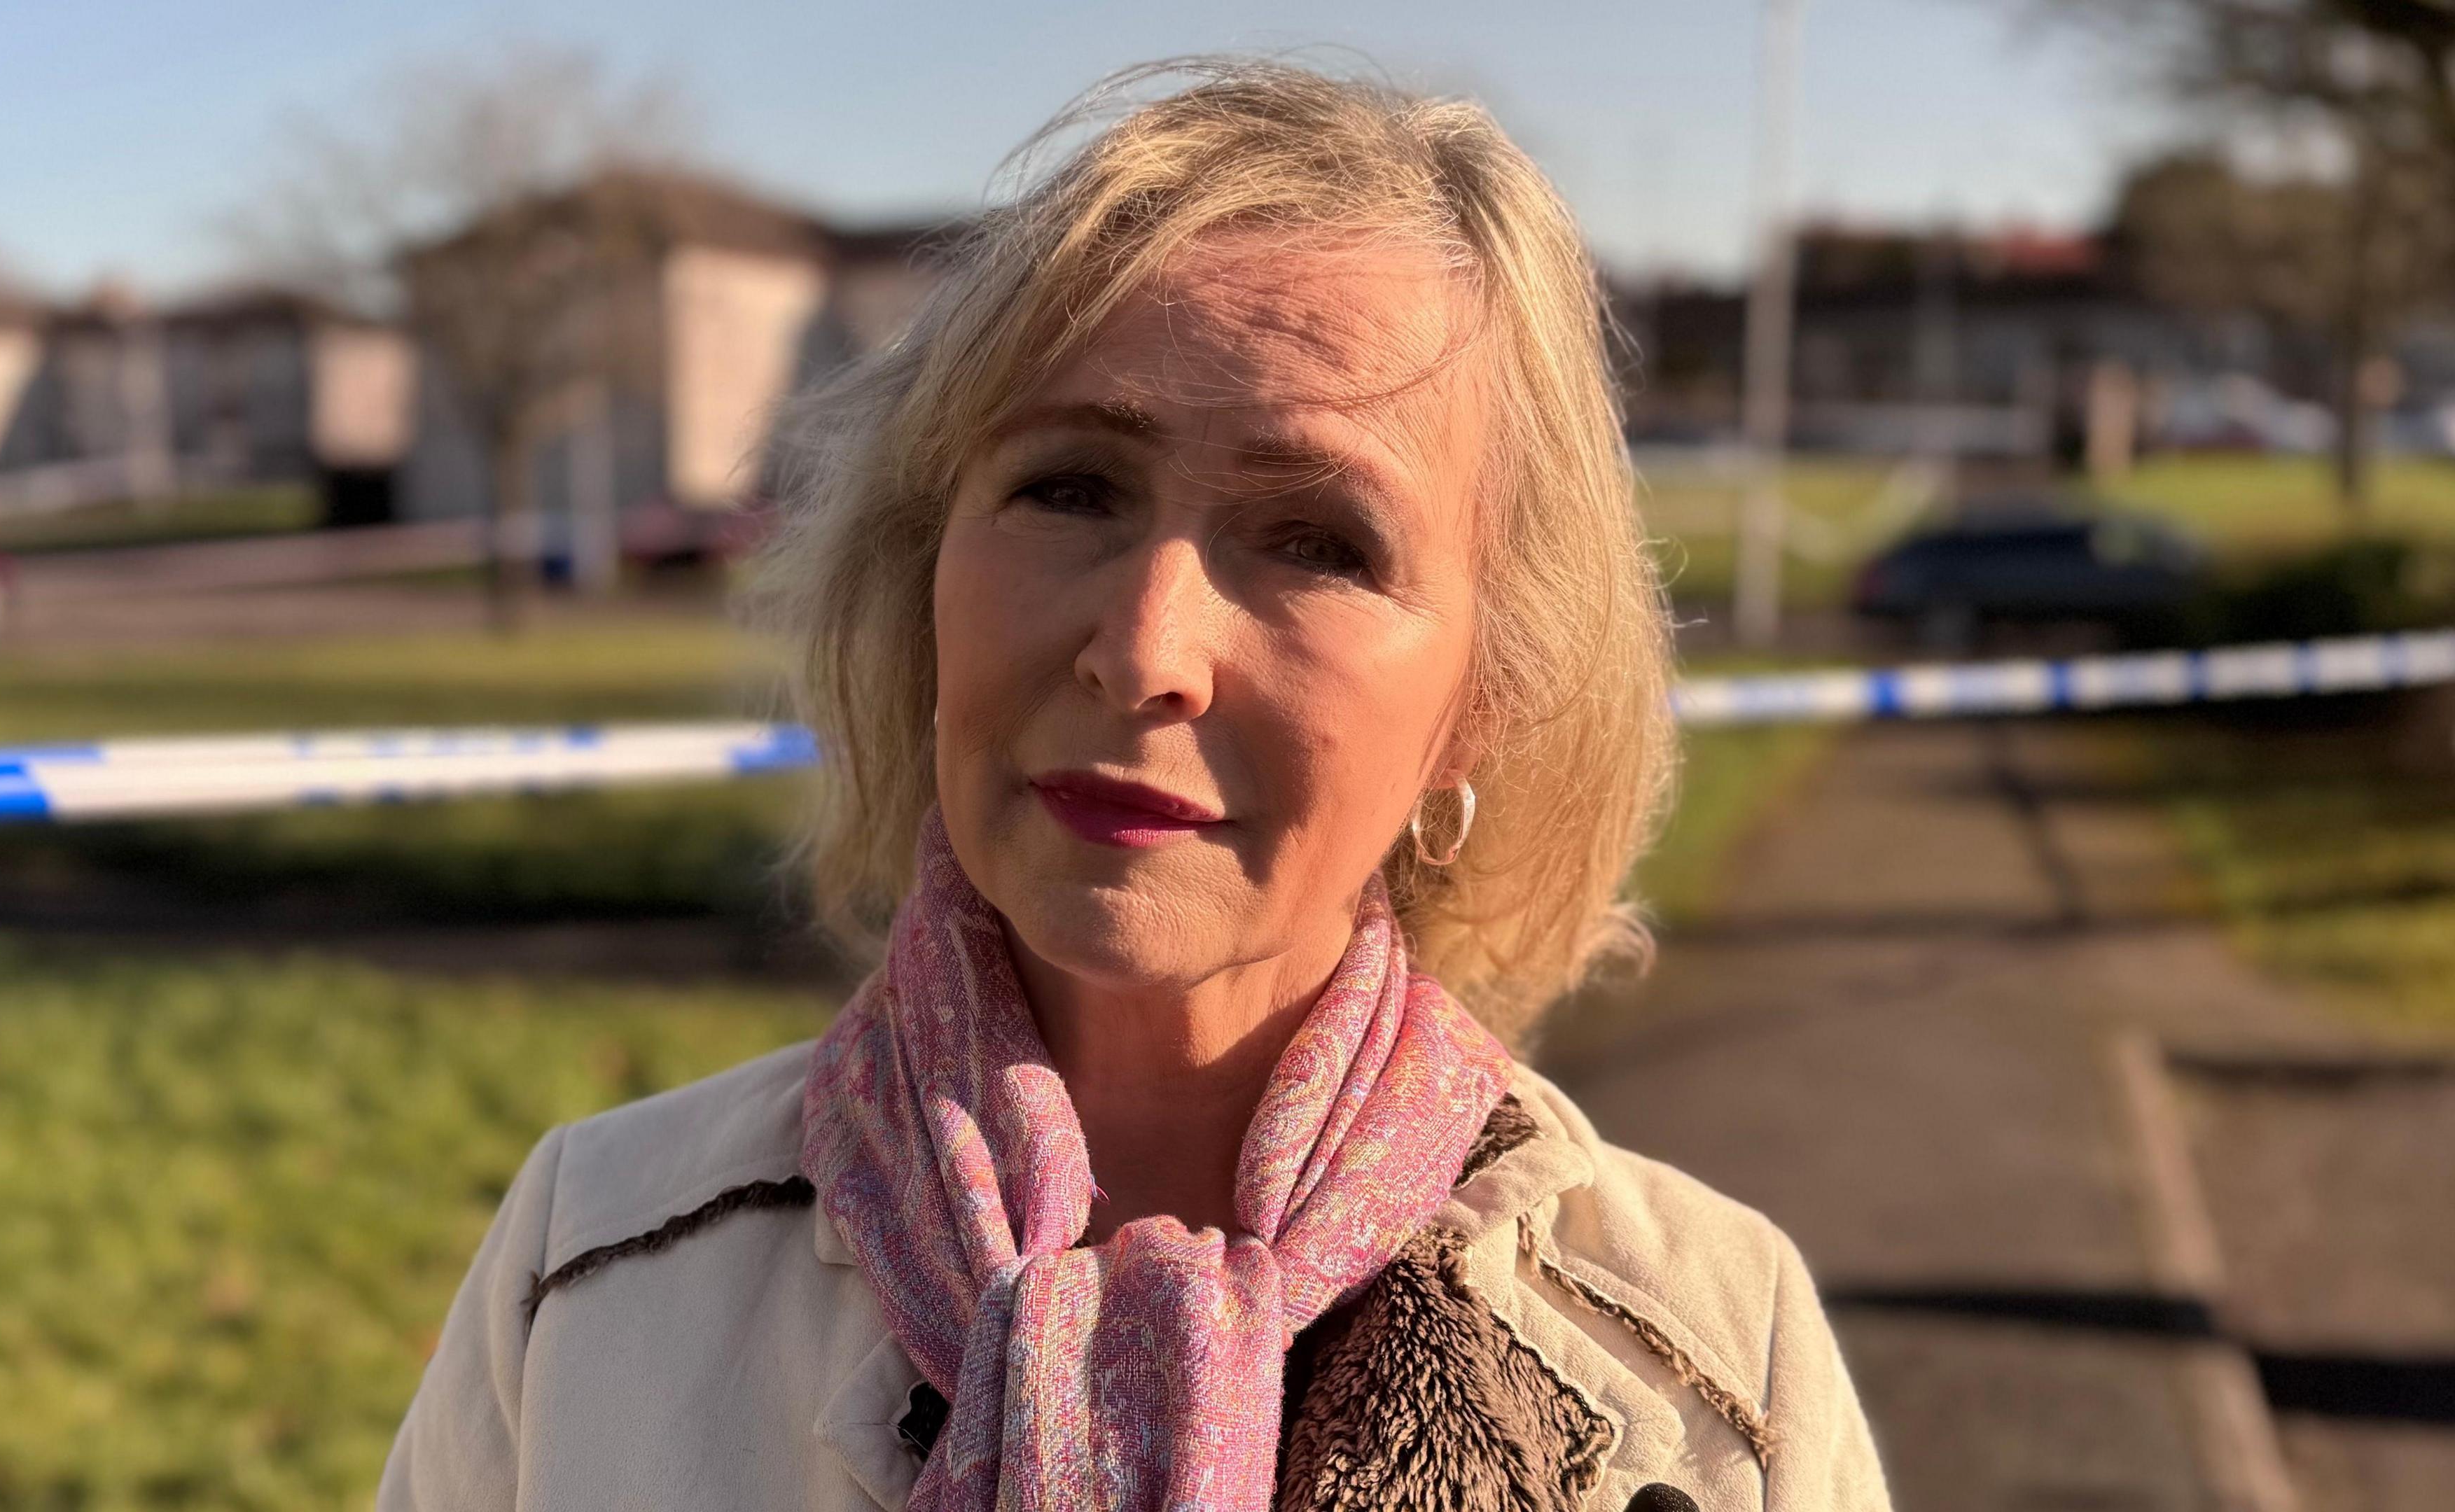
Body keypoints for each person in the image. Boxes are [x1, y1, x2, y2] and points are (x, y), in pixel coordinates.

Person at [380, 59, 1891, 1512]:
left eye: (1317, 540)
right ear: (923, 581)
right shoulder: (595, 1269)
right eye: (1069, 489)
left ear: (1481, 705)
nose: (1145, 650)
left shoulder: (1706, 1365)